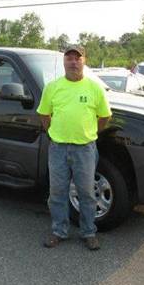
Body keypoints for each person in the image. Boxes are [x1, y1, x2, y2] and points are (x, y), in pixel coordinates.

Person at [36, 45, 112, 250]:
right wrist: (52, 133)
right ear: (64, 62)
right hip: (58, 148)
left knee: (86, 193)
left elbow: (105, 117)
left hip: (85, 149)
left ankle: (88, 232)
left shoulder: (94, 88)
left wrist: (90, 133)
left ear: (84, 61)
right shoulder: (52, 87)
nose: (73, 61)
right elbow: (44, 114)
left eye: (77, 58)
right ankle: (59, 231)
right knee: (57, 193)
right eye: (69, 58)